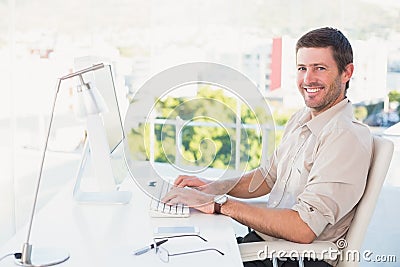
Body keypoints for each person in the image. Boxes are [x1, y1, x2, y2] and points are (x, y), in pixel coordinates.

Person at [162, 27, 373, 267]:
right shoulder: (302, 119)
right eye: (302, 68)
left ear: (347, 73)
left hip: (294, 259)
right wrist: (211, 189)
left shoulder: (344, 137)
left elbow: (303, 229)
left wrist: (219, 205)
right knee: (177, 249)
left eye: (320, 68)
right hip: (267, 247)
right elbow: (268, 177)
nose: (308, 79)